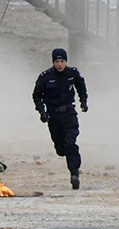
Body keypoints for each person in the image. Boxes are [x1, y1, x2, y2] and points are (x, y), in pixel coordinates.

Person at [32, 48, 88, 190]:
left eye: (62, 61)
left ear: (66, 61)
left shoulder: (72, 73)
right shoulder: (45, 76)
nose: (60, 64)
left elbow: (81, 87)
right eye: (57, 61)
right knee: (61, 149)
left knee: (70, 143)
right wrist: (42, 112)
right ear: (53, 62)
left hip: (69, 113)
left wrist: (83, 102)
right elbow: (37, 95)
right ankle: (67, 156)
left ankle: (74, 174)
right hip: (54, 116)